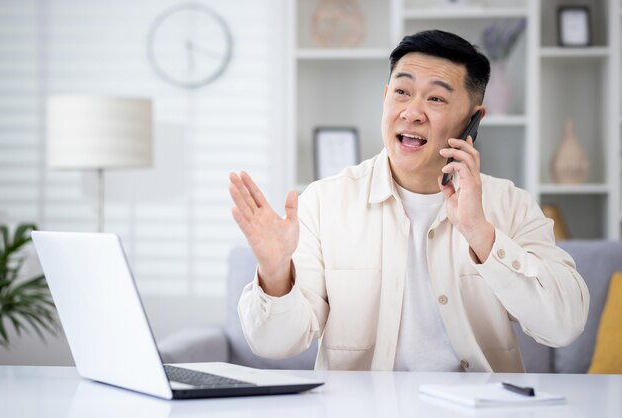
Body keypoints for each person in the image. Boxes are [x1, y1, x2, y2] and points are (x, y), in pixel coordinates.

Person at [228, 30, 589, 372]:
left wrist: (481, 234)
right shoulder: (324, 202)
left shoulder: (511, 205)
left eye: (435, 98)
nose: (412, 111)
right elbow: (276, 344)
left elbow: (564, 326)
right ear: (385, 97)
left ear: (473, 120)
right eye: (402, 92)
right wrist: (275, 275)